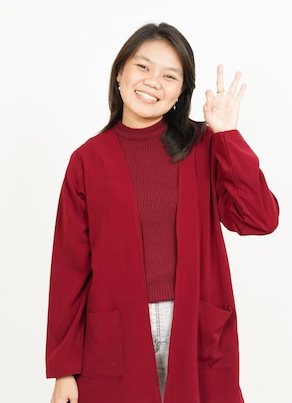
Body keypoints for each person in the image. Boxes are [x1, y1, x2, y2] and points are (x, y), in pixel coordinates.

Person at [45, 22, 279, 403]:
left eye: (170, 75)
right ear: (119, 73)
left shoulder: (203, 145)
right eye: (143, 67)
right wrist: (63, 371)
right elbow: (69, 270)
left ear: (180, 93)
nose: (153, 81)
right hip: (115, 333)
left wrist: (227, 135)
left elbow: (259, 218)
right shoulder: (87, 161)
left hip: (194, 326)